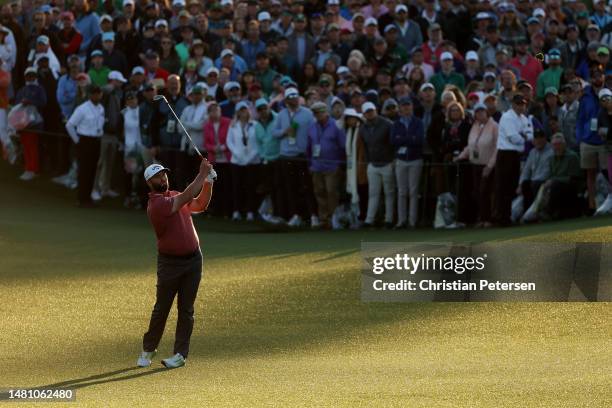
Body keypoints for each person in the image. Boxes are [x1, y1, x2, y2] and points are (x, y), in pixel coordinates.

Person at [137, 159, 214, 369]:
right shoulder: (156, 204)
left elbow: (199, 204)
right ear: (149, 183)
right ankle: (148, 349)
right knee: (162, 308)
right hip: (170, 264)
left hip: (193, 260)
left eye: (164, 174)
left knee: (186, 309)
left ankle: (180, 354)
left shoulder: (174, 195)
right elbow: (187, 197)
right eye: (157, 177)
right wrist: (201, 174)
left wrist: (208, 182)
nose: (163, 178)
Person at [272, 87, 318, 227]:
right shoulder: (281, 114)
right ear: (286, 100)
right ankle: (295, 216)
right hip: (286, 156)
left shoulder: (308, 114)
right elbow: (274, 133)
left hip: (302, 156)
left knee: (306, 187)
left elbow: (314, 134)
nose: (294, 98)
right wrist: (284, 132)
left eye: (296, 95)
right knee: (290, 188)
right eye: (291, 96)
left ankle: (313, 216)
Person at [455, 103, 498, 227]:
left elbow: (497, 147)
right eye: (477, 112)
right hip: (475, 164)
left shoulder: (494, 126)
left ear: (486, 112)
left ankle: (488, 219)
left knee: (486, 192)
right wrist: (461, 156)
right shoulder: (474, 126)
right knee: (478, 192)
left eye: (482, 111)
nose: (480, 114)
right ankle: (482, 218)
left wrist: (490, 166)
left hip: (488, 165)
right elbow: (470, 145)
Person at [495, 94, 533, 226]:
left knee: (511, 187)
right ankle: (502, 218)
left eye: (523, 104)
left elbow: (530, 134)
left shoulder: (524, 118)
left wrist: (523, 137)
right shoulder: (507, 117)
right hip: (505, 154)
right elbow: (513, 137)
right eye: (518, 104)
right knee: (503, 188)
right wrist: (523, 138)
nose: (521, 106)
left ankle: (507, 217)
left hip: (515, 155)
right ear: (513, 105)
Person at [307, 101, 346, 229]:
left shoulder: (336, 126)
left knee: (331, 192)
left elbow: (342, 147)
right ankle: (323, 219)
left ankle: (333, 218)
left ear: (326, 112)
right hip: (317, 166)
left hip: (332, 166)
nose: (317, 115)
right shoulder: (312, 127)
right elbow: (309, 147)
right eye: (315, 113)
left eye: (320, 112)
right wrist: (310, 164)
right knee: (319, 192)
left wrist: (340, 165)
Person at [65, 84, 105, 208]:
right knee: (84, 171)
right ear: (89, 95)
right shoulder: (82, 108)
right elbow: (70, 125)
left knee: (93, 170)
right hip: (84, 140)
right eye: (94, 93)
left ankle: (88, 198)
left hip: (96, 140)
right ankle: (81, 199)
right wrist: (78, 141)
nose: (97, 95)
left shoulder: (101, 108)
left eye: (99, 93)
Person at [359, 101, 395, 228]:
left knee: (389, 193)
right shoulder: (363, 128)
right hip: (373, 165)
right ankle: (369, 220)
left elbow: (393, 143)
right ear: (364, 114)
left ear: (376, 110)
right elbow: (365, 146)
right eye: (367, 112)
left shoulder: (387, 124)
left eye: (371, 110)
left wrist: (392, 160)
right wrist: (369, 161)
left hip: (387, 163)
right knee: (373, 194)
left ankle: (389, 220)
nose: (370, 113)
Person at [576, 66, 607, 214]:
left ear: (603, 76)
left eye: (599, 75)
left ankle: (608, 202)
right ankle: (592, 205)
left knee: (608, 173)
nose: (597, 78)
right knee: (590, 174)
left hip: (605, 141)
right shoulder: (585, 96)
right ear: (591, 78)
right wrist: (580, 137)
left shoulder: (608, 93)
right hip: (588, 140)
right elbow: (580, 119)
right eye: (594, 75)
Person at [391, 96, 423, 229]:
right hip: (401, 160)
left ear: (412, 107)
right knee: (402, 192)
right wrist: (410, 138)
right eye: (403, 106)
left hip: (415, 159)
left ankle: (412, 221)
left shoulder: (418, 122)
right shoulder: (396, 123)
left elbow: (419, 140)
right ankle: (401, 220)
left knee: (413, 191)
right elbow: (393, 141)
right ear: (400, 108)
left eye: (408, 105)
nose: (406, 108)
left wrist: (403, 139)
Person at [226, 101, 261, 221]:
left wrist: (249, 158)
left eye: (245, 110)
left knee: (250, 187)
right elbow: (229, 142)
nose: (243, 112)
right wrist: (237, 154)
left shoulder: (255, 125)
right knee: (237, 187)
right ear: (237, 112)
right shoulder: (233, 125)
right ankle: (236, 211)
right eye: (241, 110)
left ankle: (250, 211)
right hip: (236, 161)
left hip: (252, 161)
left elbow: (257, 143)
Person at [254, 98, 282, 222]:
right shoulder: (257, 124)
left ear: (268, 108)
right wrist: (263, 156)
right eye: (260, 109)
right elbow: (259, 142)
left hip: (278, 158)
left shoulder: (278, 119)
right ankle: (268, 213)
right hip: (265, 160)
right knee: (268, 188)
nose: (263, 111)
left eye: (265, 108)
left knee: (277, 187)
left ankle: (277, 214)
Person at [518, 129, 553, 211]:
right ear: (533, 140)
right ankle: (526, 211)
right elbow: (526, 171)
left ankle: (534, 212)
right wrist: (520, 184)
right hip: (533, 182)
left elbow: (547, 172)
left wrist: (532, 181)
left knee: (533, 184)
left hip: (545, 181)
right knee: (525, 184)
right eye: (536, 138)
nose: (538, 140)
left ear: (545, 139)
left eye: (541, 138)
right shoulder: (532, 152)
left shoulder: (551, 151)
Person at [343, 108, 367, 221]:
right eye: (347, 119)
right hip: (351, 166)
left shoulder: (361, 129)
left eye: (351, 118)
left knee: (363, 190)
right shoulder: (349, 131)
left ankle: (363, 215)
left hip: (361, 166)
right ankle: (357, 215)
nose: (349, 121)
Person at [595, 88, 612, 215]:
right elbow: (599, 131)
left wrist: (607, 132)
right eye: (603, 99)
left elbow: (606, 131)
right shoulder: (601, 114)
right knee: (610, 175)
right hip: (609, 148)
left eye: (608, 98)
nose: (606, 101)